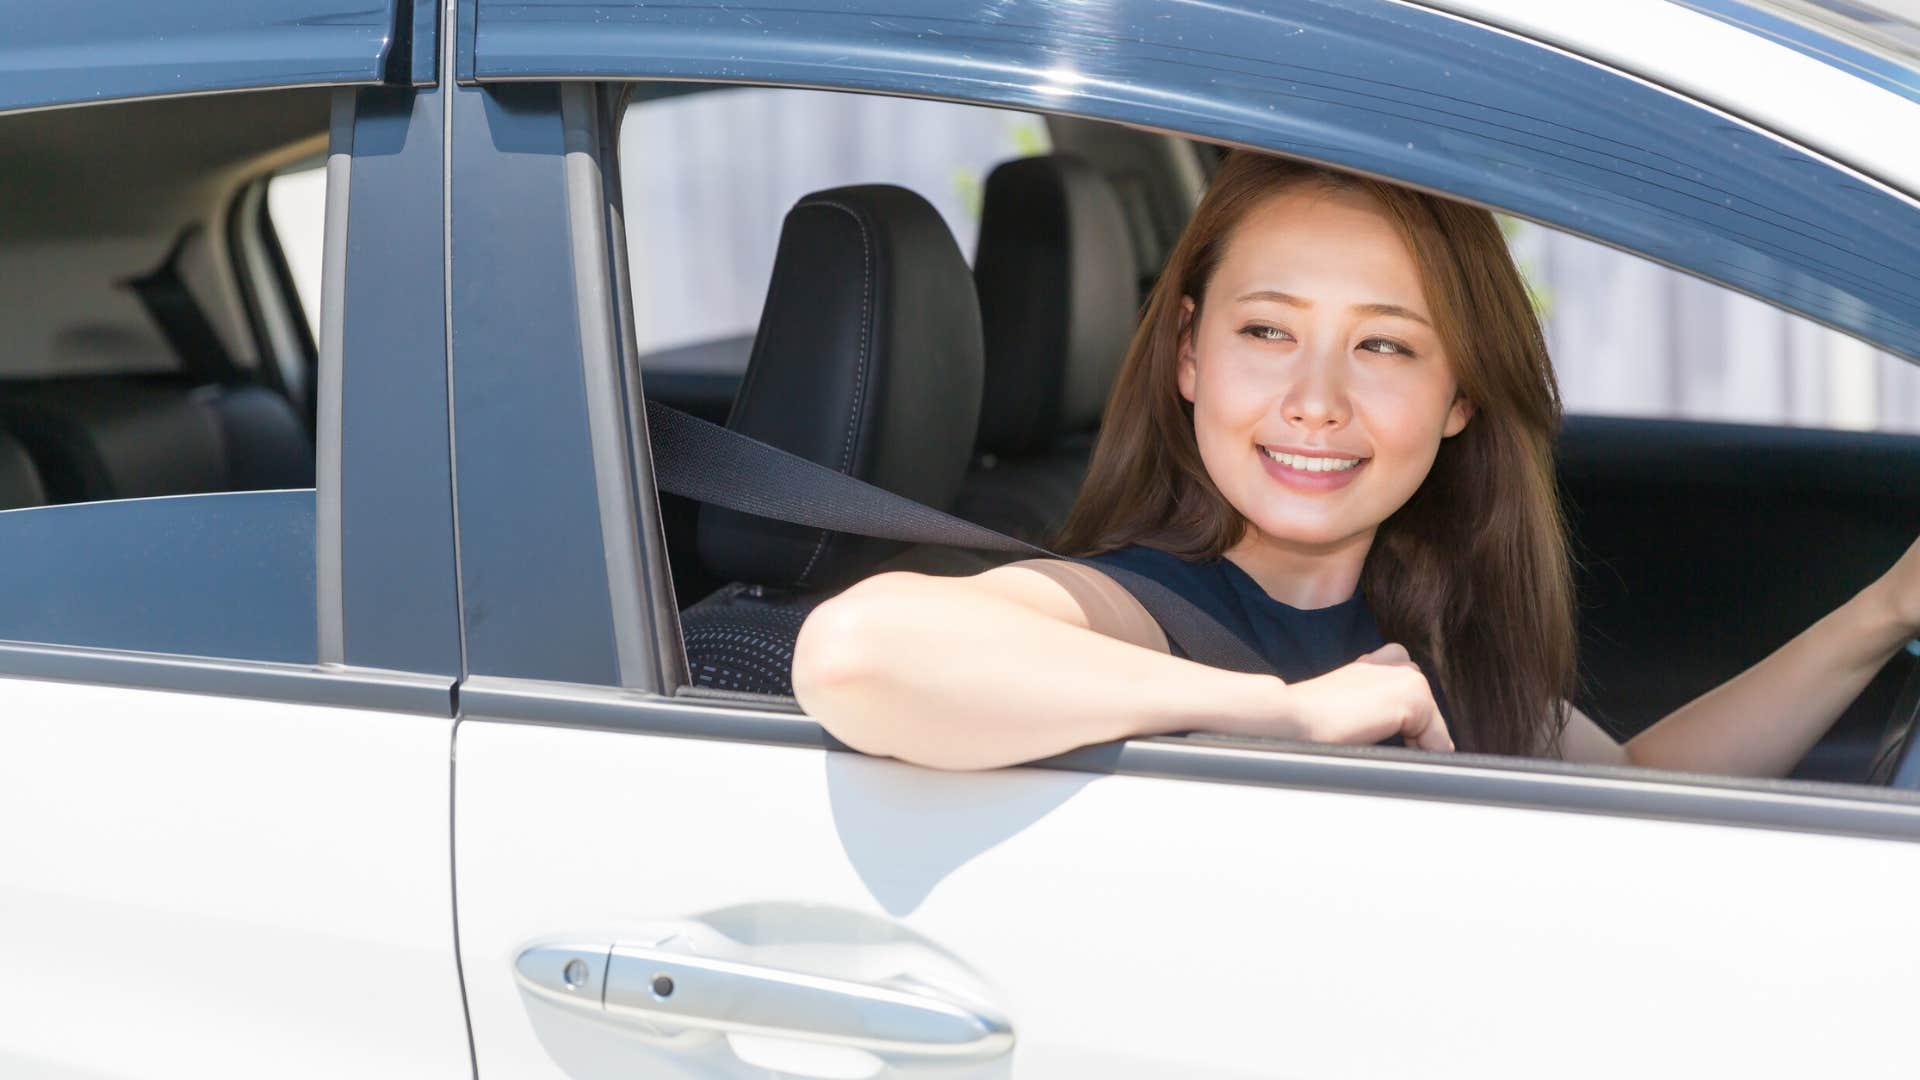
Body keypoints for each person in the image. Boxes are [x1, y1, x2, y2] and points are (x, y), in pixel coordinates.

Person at [790, 150, 1920, 773]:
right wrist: (1282, 714)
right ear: (1188, 355)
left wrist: (1879, 611)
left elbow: (1633, 798)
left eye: (1383, 345)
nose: (1316, 400)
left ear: (1462, 394)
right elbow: (859, 652)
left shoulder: (1413, 614)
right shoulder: (1147, 600)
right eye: (1267, 332)